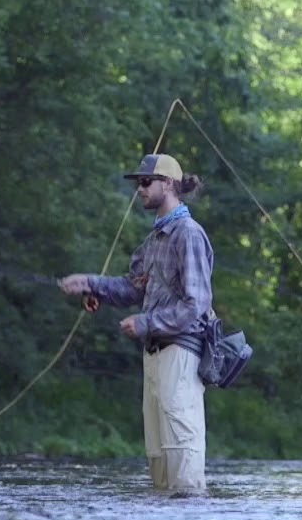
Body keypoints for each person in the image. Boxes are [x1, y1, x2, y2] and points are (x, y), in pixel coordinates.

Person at [57, 153, 213, 492]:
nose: (139, 190)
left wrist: (146, 323)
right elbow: (132, 287)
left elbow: (196, 305)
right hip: (155, 353)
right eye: (138, 183)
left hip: (181, 353)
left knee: (181, 446)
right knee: (157, 453)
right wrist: (90, 283)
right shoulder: (154, 239)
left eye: (145, 182)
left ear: (168, 184)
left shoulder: (188, 234)